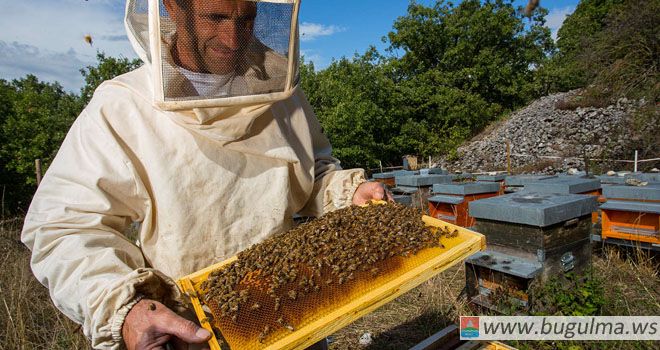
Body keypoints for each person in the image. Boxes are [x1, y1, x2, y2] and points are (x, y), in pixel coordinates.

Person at [21, 0, 391, 349]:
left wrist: (347, 192)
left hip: (296, 306)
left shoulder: (281, 91)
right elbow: (63, 226)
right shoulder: (122, 107)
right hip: (189, 329)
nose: (233, 39)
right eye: (215, 17)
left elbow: (312, 172)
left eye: (245, 19)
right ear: (172, 7)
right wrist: (124, 307)